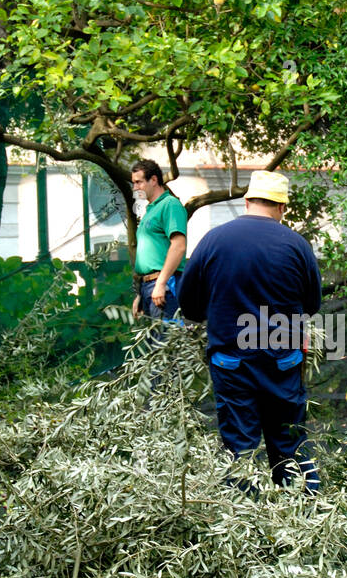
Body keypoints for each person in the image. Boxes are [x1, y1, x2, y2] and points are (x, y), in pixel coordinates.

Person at [178, 170, 321, 493]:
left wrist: (213, 314)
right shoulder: (297, 246)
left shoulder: (214, 240)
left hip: (232, 361)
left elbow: (189, 305)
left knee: (240, 448)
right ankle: (302, 514)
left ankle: (245, 521)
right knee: (289, 443)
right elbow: (311, 305)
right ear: (282, 207)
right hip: (282, 360)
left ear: (247, 201)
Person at [129, 159, 187, 323]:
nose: (135, 188)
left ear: (153, 180)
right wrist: (140, 294)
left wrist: (160, 283)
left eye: (138, 182)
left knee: (168, 344)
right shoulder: (149, 210)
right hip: (149, 286)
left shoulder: (170, 204)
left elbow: (179, 246)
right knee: (154, 346)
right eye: (133, 183)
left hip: (165, 284)